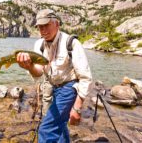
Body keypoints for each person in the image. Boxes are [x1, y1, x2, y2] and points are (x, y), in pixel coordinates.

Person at [16, 9, 92, 143]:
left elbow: (85, 77)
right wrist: (30, 67)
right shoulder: (38, 44)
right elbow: (38, 72)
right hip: (50, 85)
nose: (43, 30)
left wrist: (77, 107)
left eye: (46, 25)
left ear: (57, 24)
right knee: (59, 123)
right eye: (40, 27)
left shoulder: (71, 43)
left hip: (68, 87)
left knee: (46, 129)